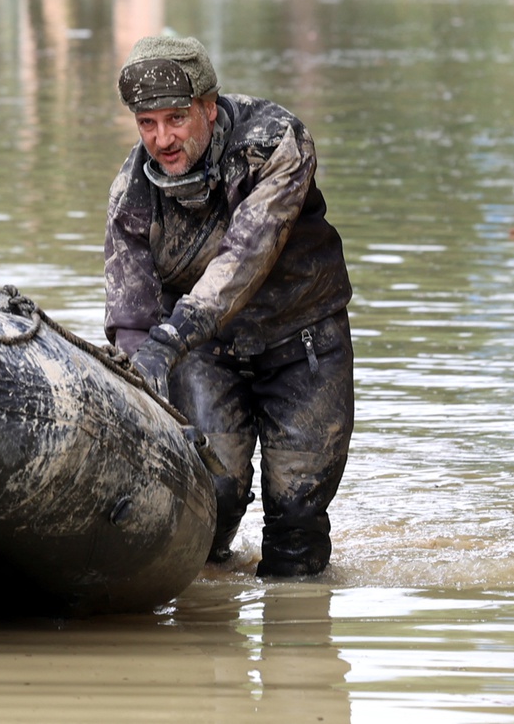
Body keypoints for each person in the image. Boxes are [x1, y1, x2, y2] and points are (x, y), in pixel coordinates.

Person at [103, 35, 353, 578]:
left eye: (176, 119)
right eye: (147, 123)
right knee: (207, 502)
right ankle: (203, 635)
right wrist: (138, 381)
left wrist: (167, 340)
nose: (162, 139)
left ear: (209, 109)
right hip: (206, 353)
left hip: (304, 343)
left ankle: (298, 636)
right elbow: (130, 315)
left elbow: (246, 255)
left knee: (296, 521)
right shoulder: (132, 194)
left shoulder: (275, 142)